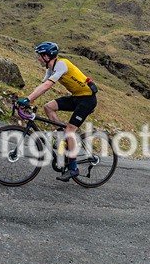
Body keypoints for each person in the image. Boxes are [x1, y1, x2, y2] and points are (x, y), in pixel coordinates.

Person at [17, 42, 98, 182]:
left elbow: (48, 85)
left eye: (40, 56)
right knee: (49, 107)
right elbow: (42, 85)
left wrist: (28, 100)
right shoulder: (51, 69)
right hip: (76, 97)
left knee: (70, 130)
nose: (38, 58)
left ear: (47, 56)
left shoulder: (61, 64)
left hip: (87, 100)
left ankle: (73, 168)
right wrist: (26, 100)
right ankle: (63, 138)